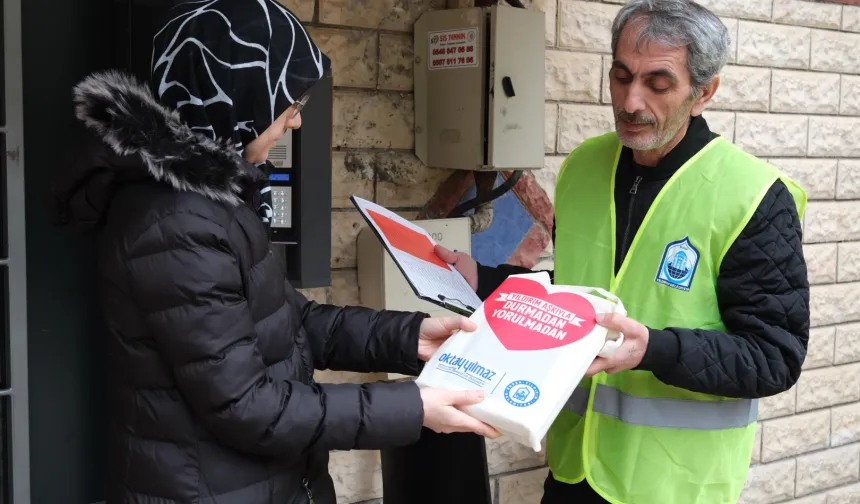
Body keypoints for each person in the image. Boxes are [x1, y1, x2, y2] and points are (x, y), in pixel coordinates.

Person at [49, 2, 498, 503]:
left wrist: (410, 338)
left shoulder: (207, 202)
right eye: (290, 103)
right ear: (240, 94)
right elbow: (248, 407)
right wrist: (413, 408)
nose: (295, 122)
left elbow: (290, 321)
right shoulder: (177, 222)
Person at [435, 0, 810, 503]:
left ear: (704, 93)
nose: (630, 101)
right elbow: (575, 300)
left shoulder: (753, 196)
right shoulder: (584, 167)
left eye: (658, 84)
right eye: (620, 76)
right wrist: (481, 278)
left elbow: (773, 357)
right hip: (573, 472)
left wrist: (653, 349)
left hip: (673, 486)